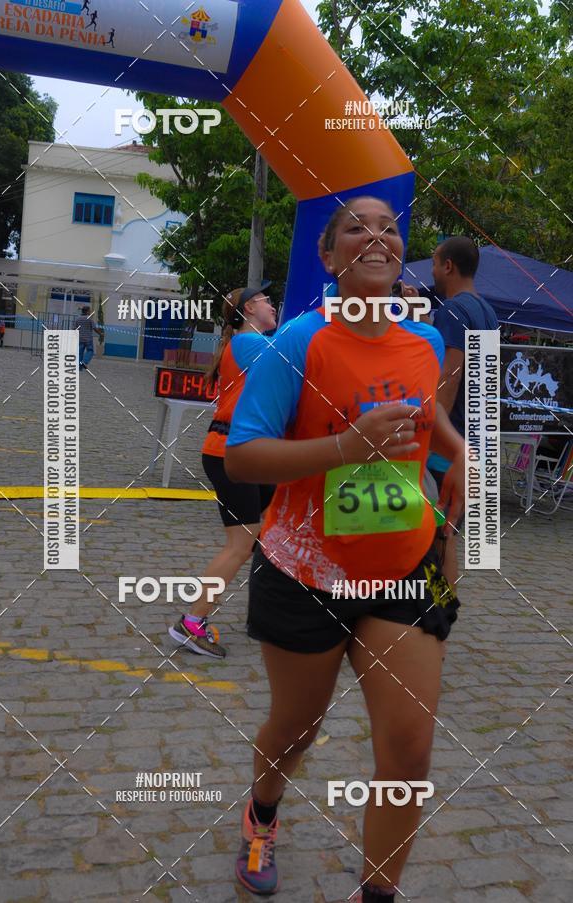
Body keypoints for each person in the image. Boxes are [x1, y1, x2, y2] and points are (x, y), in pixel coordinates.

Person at [225, 197, 465, 900]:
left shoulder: (424, 344)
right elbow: (243, 456)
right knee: (297, 728)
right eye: (356, 227)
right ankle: (262, 808)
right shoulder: (298, 341)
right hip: (305, 571)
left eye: (389, 227)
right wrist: (344, 448)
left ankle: (377, 892)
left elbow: (427, 410)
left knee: (410, 749)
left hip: (403, 568)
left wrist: (457, 450)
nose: (378, 236)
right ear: (328, 258)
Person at [168, 283, 278, 659]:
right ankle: (191, 622)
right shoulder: (249, 343)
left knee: (269, 537)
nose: (272, 302)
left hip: (254, 453)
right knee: (240, 543)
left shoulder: (252, 343)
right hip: (232, 453)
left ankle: (269, 616)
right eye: (265, 299)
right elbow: (300, 357)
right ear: (249, 309)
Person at [426, 237, 499, 585]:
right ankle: (440, 613)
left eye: (435, 264)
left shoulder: (453, 310)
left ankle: (434, 614)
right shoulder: (487, 311)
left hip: (449, 446)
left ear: (449, 266)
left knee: (436, 538)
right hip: (476, 441)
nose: (433, 271)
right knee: (447, 536)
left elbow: (450, 378)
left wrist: (434, 432)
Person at [74, 305, 102, 370]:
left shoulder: (78, 319)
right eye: (89, 310)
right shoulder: (89, 319)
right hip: (88, 339)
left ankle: (79, 367)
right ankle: (85, 361)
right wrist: (100, 334)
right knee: (90, 351)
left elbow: (74, 329)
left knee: (80, 353)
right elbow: (95, 328)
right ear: (87, 311)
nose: (90, 312)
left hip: (80, 338)